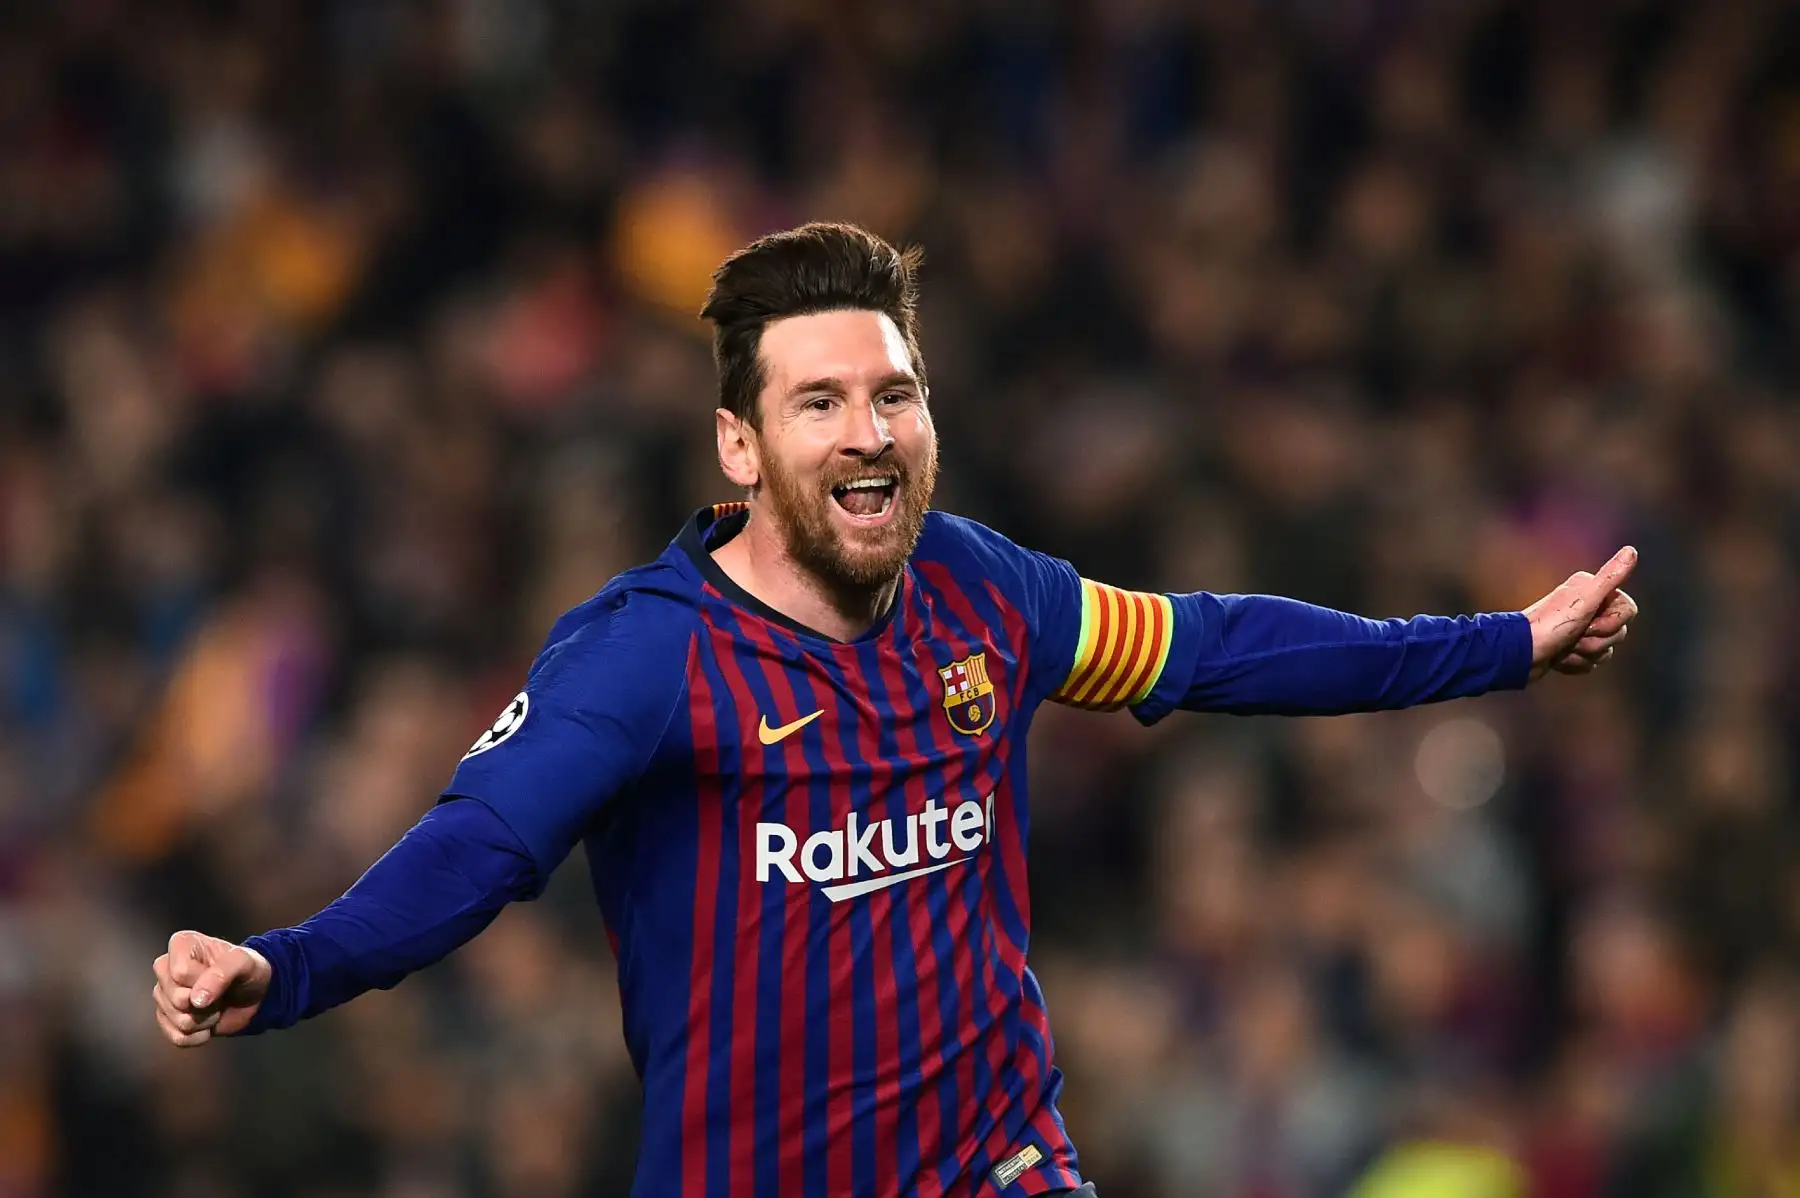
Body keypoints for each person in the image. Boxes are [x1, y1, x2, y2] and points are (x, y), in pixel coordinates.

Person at [150, 223, 1638, 1197]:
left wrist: (1503, 642)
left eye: (895, 393)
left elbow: (1215, 646)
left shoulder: (985, 590)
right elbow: (477, 847)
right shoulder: (643, 656)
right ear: (739, 445)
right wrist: (286, 969)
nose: (869, 432)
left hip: (1001, 1161)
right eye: (820, 402)